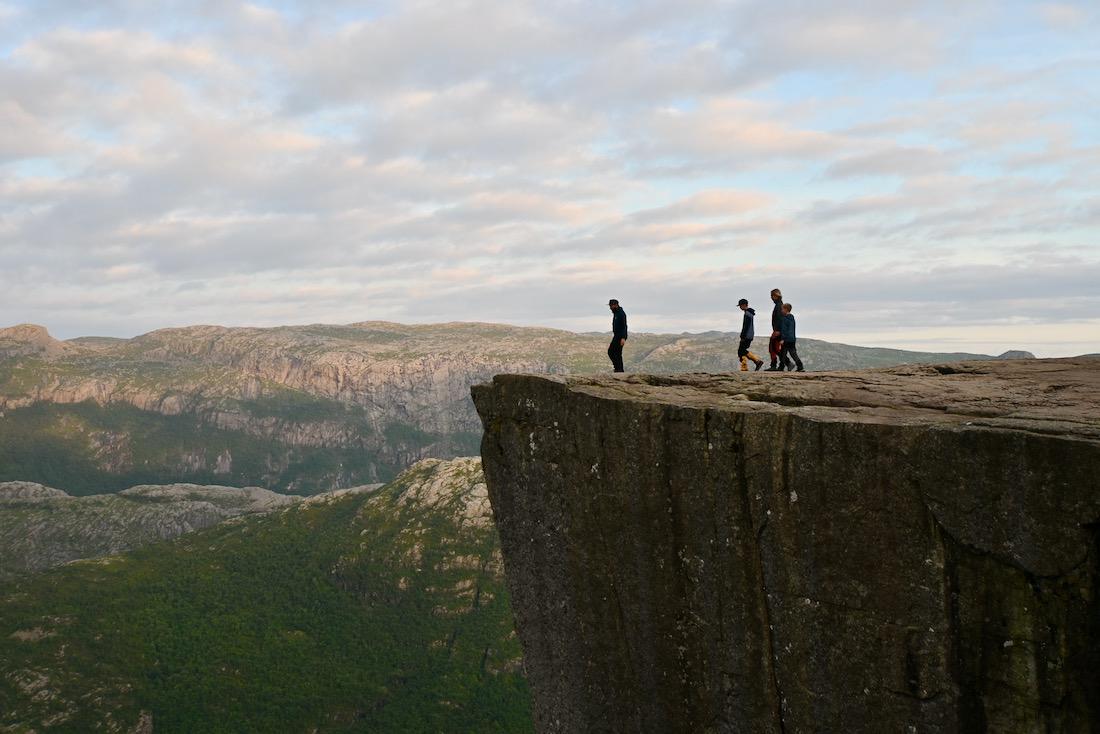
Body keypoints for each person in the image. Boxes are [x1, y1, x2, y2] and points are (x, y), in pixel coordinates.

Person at [736, 298, 764, 371]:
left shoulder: (747, 314)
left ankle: (755, 362)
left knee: (741, 351)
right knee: (742, 351)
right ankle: (754, 363)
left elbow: (746, 326)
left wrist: (742, 336)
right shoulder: (749, 313)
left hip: (747, 335)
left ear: (744, 305)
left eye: (740, 306)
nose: (740, 307)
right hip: (749, 335)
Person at [778, 303, 804, 372]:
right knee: (793, 353)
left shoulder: (784, 319)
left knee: (782, 353)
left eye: (782, 309)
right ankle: (800, 366)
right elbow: (791, 329)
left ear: (786, 309)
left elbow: (784, 330)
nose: (781, 310)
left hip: (786, 339)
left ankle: (781, 367)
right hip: (792, 339)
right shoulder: (792, 318)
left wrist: (782, 339)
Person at [766, 288, 784, 371]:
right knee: (776, 348)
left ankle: (775, 365)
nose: (771, 298)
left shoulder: (779, 305)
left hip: (777, 331)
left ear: (775, 296)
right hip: (778, 330)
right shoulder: (780, 305)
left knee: (773, 348)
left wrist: (777, 330)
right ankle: (782, 364)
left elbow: (780, 319)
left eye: (772, 296)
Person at [607, 299, 628, 373]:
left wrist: (623, 338)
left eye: (611, 306)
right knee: (615, 353)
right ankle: (618, 369)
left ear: (615, 305)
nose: (610, 308)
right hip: (616, 336)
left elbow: (624, 326)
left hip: (619, 337)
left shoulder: (621, 313)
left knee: (612, 352)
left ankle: (619, 369)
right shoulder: (616, 313)